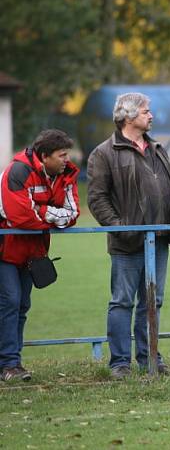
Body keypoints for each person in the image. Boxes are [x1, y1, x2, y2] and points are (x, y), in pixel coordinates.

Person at [87, 93, 170, 379]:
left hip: (161, 237)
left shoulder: (157, 148)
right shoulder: (104, 153)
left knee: (153, 301)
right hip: (128, 243)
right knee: (122, 301)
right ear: (128, 116)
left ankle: (150, 357)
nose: (151, 116)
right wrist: (121, 227)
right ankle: (119, 363)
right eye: (145, 111)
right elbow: (97, 199)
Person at [0, 130, 79, 382]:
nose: (67, 159)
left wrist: (39, 210)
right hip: (5, 248)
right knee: (10, 302)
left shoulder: (66, 173)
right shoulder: (18, 172)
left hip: (32, 252)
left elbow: (72, 214)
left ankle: (13, 362)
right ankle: (9, 364)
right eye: (62, 155)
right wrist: (50, 216)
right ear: (45, 157)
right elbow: (19, 216)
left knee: (22, 305)